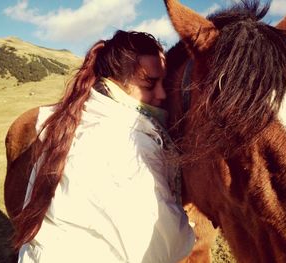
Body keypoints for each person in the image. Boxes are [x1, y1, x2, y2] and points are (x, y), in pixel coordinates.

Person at [14, 30, 195, 262]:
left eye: (163, 83)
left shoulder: (72, 121)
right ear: (114, 82)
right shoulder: (131, 142)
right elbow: (161, 246)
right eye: (149, 84)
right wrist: (187, 226)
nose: (161, 94)